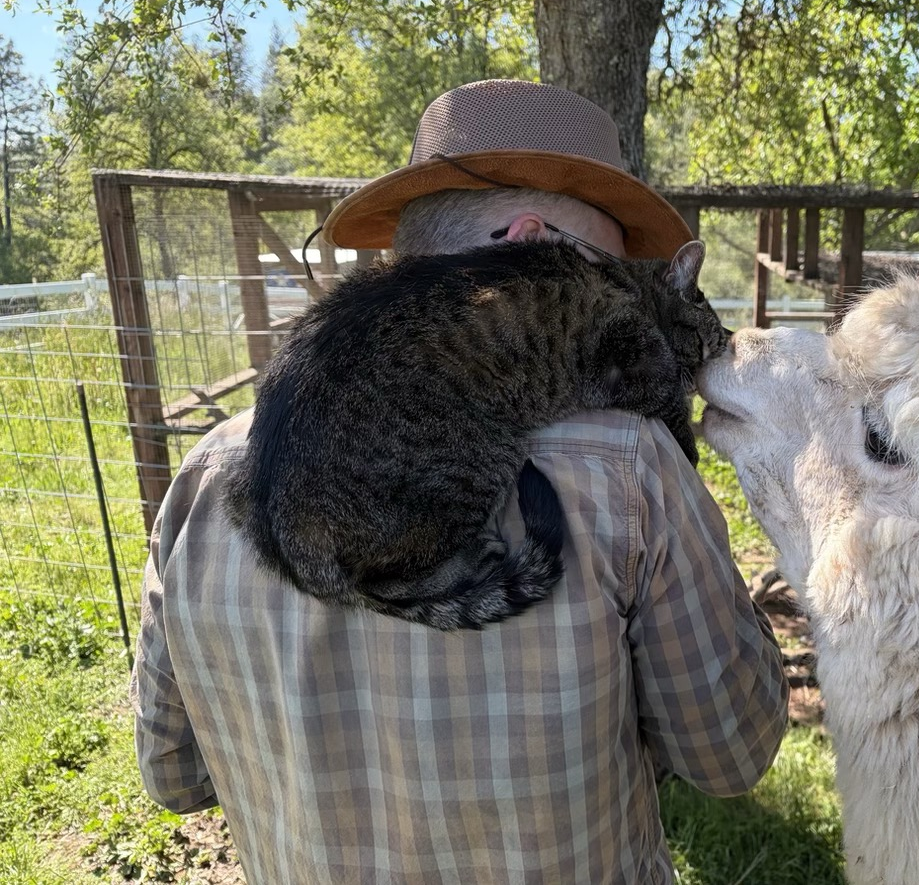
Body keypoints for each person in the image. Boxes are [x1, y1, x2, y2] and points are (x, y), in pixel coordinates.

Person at [131, 79, 790, 884]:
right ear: (528, 241)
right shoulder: (635, 468)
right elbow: (733, 752)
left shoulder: (205, 478)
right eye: (616, 276)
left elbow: (173, 776)